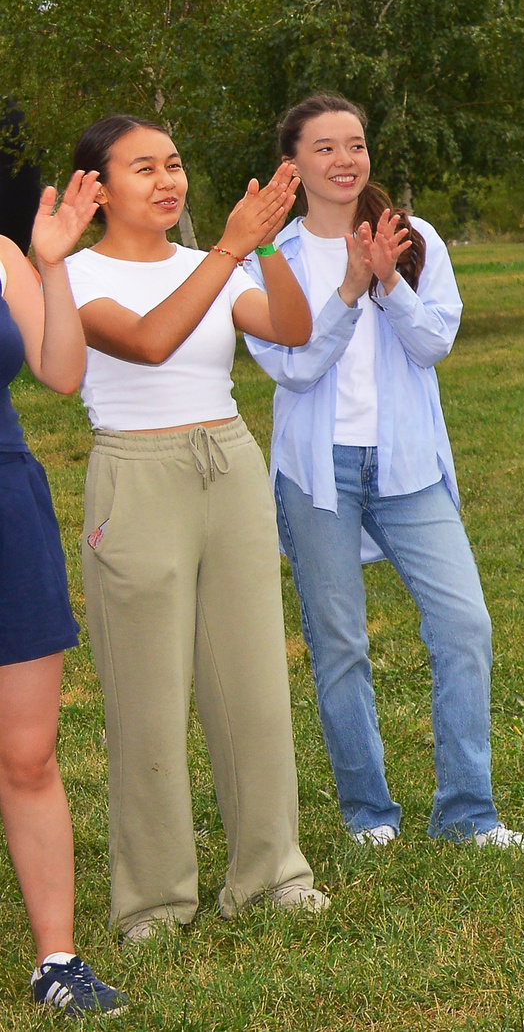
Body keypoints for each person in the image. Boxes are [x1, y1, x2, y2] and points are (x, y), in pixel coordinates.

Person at [248, 96, 524, 853]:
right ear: (295, 165)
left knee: (465, 625)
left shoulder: (414, 237)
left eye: (357, 144)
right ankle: (368, 815)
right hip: (317, 476)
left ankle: (468, 814)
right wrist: (347, 291)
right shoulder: (269, 257)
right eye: (326, 148)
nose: (346, 160)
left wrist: (388, 282)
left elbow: (435, 342)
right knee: (339, 642)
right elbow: (296, 367)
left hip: (409, 468)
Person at [63, 118, 327, 943]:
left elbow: (291, 329)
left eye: (174, 162)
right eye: (143, 168)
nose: (167, 179)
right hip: (136, 478)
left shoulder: (203, 263)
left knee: (253, 685)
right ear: (99, 189)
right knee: (145, 702)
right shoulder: (71, 275)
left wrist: (269, 249)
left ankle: (273, 872)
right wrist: (226, 251)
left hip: (229, 461)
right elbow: (147, 341)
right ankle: (153, 901)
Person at [3, 171, 129, 1016]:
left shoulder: (5, 256)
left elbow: (59, 371)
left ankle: (57, 960)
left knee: (28, 752)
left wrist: (51, 266)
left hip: (5, 504)